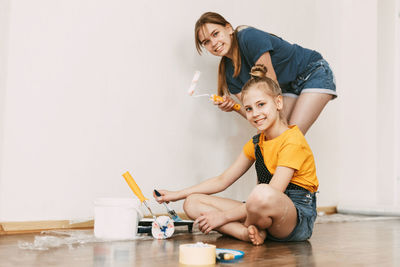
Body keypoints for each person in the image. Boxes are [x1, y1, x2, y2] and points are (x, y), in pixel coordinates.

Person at [154, 65, 318, 245]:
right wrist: (176, 195)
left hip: (292, 220)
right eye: (248, 109)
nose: (255, 114)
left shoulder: (293, 140)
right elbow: (222, 180)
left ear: (278, 103)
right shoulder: (256, 143)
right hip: (258, 210)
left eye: (261, 105)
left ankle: (249, 226)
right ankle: (244, 233)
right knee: (191, 203)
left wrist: (222, 218)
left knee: (261, 192)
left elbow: (273, 192)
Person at [194, 12, 336, 134]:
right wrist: (234, 107)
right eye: (206, 42)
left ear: (228, 28)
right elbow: (255, 114)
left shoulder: (248, 37)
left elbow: (270, 82)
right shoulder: (229, 74)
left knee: (290, 139)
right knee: (276, 136)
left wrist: (276, 132)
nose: (213, 43)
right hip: (286, 88)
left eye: (216, 34)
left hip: (312, 71)